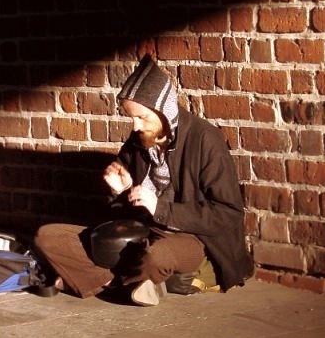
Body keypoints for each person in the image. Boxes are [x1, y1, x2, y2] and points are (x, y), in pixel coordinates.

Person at [33, 54, 253, 306]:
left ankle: (97, 280)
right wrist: (121, 191)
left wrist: (160, 208)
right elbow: (121, 215)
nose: (136, 125)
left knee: (156, 257)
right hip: (141, 233)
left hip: (192, 238)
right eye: (132, 117)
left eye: (143, 117)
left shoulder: (205, 140)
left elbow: (228, 214)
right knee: (47, 237)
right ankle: (131, 283)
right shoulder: (138, 141)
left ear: (164, 111)